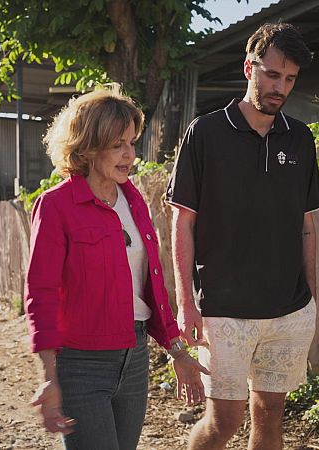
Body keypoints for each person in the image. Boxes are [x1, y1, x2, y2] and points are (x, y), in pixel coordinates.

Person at [166, 23, 319, 450]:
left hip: (288, 311)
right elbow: (182, 221)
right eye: (272, 75)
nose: (280, 87)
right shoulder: (205, 132)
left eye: (289, 79)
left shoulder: (302, 138)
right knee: (224, 421)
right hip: (225, 311)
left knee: (271, 415)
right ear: (248, 68)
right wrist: (185, 304)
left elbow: (307, 224)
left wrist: (310, 295)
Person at [25, 85, 208, 450]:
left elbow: (151, 288)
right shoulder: (56, 206)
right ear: (88, 147)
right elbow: (40, 294)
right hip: (81, 364)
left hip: (135, 359)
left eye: (132, 143)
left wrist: (176, 350)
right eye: (117, 145)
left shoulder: (133, 199)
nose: (130, 155)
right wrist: (48, 376)